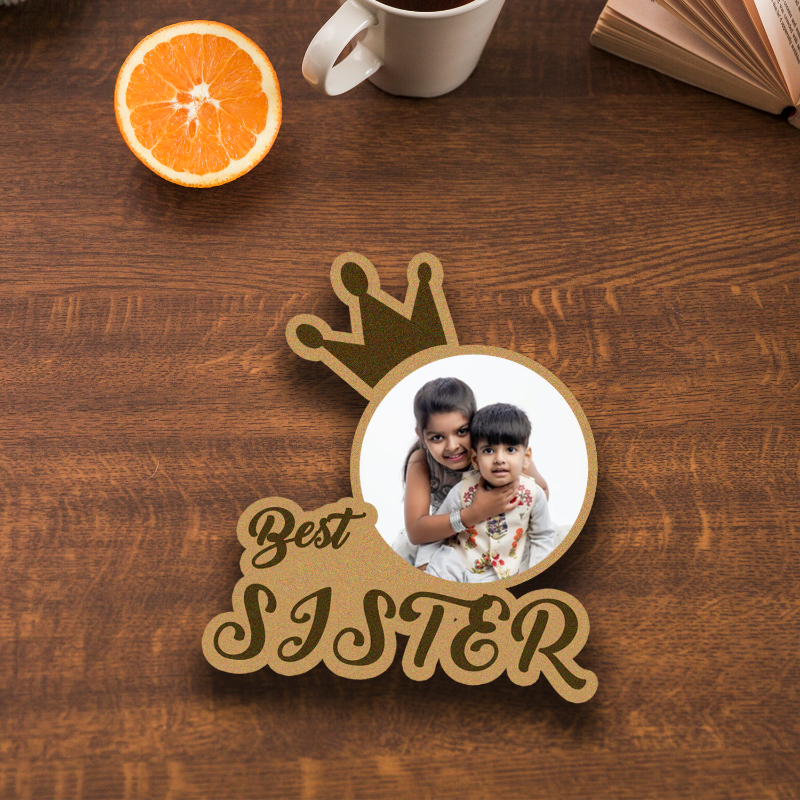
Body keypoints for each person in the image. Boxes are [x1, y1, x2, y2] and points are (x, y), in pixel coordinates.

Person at [393, 378, 548, 567]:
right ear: (422, 436)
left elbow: (541, 490)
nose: (452, 446)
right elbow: (416, 531)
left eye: (462, 432)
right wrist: (475, 513)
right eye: (437, 437)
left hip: (503, 540)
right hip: (447, 540)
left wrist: (511, 509)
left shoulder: (499, 454)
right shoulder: (421, 461)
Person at [424, 403, 556, 582]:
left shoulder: (534, 494)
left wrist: (536, 574)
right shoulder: (461, 492)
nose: (499, 459)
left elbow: (542, 536)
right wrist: (423, 565)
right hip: (457, 562)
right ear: (475, 459)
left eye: (510, 450)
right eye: (488, 451)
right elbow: (435, 533)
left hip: (501, 572)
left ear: (526, 458)